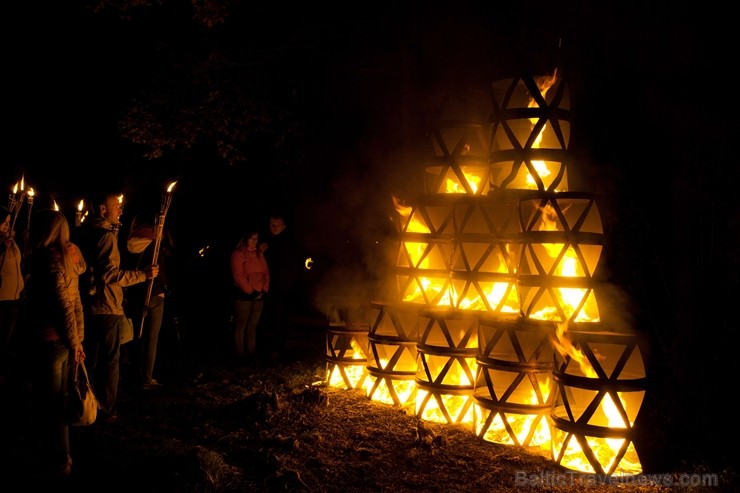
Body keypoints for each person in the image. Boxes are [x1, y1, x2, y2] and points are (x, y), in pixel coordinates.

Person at [73, 192, 158, 423]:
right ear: (102, 209)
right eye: (116, 206)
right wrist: (143, 275)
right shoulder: (105, 237)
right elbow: (110, 274)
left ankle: (85, 403)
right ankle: (107, 408)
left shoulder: (81, 232)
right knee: (110, 360)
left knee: (89, 357)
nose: (120, 210)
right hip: (106, 306)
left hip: (86, 305)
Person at [22, 209, 86, 479]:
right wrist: (78, 340)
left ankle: (60, 460)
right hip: (61, 341)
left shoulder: (51, 260)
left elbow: (64, 305)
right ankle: (59, 453)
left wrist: (75, 343)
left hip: (51, 341)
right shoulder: (67, 258)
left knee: (51, 404)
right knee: (54, 401)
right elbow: (76, 304)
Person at [122, 215, 174, 390]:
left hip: (134, 292)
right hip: (153, 293)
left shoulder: (126, 243)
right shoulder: (154, 245)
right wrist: (164, 287)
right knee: (150, 338)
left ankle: (132, 371)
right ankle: (145, 377)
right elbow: (161, 270)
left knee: (137, 335)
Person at [258, 214, 298, 363]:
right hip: (267, 288)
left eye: (277, 225)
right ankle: (267, 349)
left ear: (284, 226)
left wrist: (286, 286)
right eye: (271, 224)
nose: (273, 227)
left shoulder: (289, 244)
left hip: (282, 289)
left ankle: (277, 350)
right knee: (267, 320)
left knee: (280, 320)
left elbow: (290, 268)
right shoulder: (266, 244)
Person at [230, 227, 269, 365]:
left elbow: (265, 272)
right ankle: (240, 356)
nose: (255, 241)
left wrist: (263, 290)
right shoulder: (238, 254)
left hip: (259, 295)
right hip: (244, 296)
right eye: (252, 238)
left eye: (257, 239)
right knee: (241, 326)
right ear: (246, 239)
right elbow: (238, 276)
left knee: (252, 326)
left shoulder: (259, 254)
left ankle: (251, 355)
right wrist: (250, 292)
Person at [0, 206, 25, 382]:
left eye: (9, 222)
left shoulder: (10, 240)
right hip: (1, 298)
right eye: (4, 223)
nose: (8, 226)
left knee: (8, 339)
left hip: (14, 297)